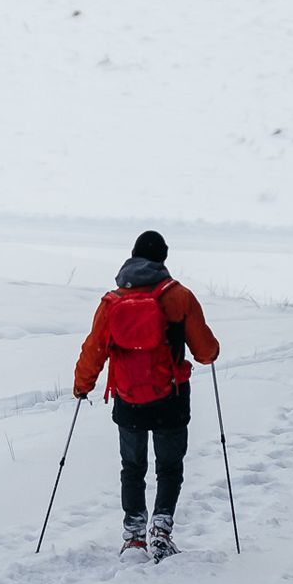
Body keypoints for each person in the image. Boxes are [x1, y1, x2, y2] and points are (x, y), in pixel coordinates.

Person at [73, 230, 220, 560]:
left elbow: (94, 349)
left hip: (128, 399)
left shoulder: (111, 302)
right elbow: (205, 351)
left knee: (132, 466)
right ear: (163, 260)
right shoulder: (179, 296)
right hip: (171, 398)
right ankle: (161, 530)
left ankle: (134, 536)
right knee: (169, 467)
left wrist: (83, 385)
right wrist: (211, 351)